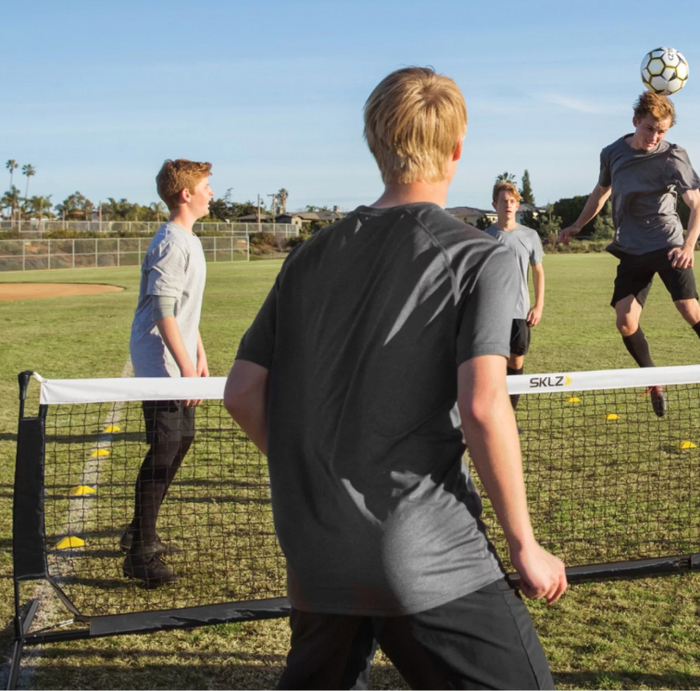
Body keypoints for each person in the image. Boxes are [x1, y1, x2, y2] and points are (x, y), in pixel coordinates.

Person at [224, 67, 566, 691]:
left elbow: (242, 392)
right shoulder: (479, 257)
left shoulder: (308, 256)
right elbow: (485, 406)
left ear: (373, 143)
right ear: (458, 151)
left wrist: (327, 471)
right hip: (428, 553)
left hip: (316, 554)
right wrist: (525, 545)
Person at [559, 91, 700, 420]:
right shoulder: (612, 153)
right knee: (625, 323)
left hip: (668, 244)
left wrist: (689, 245)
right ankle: (653, 380)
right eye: (649, 129)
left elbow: (698, 206)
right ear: (635, 122)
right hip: (631, 248)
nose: (655, 137)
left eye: (662, 131)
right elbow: (600, 193)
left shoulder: (673, 156)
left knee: (689, 309)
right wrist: (576, 225)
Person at [122, 159, 214, 587]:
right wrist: (182, 367)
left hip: (178, 359)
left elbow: (182, 308)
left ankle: (140, 531)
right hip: (158, 361)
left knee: (183, 439)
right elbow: (161, 311)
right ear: (186, 194)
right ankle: (140, 552)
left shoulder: (189, 240)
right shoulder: (171, 243)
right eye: (206, 186)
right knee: (165, 445)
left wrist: (199, 355)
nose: (211, 193)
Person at [485, 180, 545, 409]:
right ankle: (495, 412)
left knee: (516, 360)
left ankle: (509, 413)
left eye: (513, 201)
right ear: (494, 204)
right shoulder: (484, 236)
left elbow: (538, 271)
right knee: (492, 363)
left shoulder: (530, 236)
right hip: (491, 312)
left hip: (519, 311)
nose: (508, 205)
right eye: (503, 201)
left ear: (517, 205)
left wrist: (538, 306)